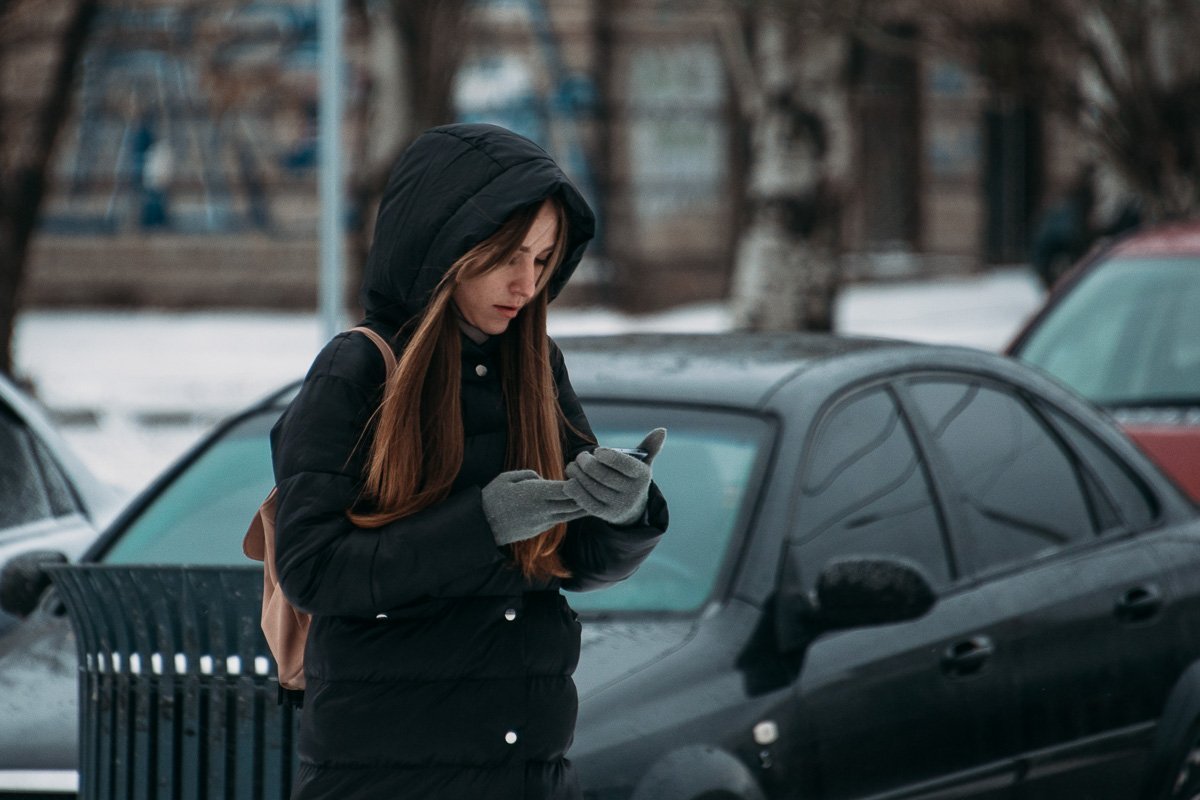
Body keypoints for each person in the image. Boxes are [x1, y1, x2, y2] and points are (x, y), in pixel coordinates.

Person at [270, 123, 670, 800]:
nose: (526, 283)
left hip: (528, 774)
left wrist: (624, 512)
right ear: (444, 243)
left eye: (543, 259)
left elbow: (576, 560)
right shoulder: (357, 370)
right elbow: (313, 568)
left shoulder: (535, 364)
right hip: (388, 780)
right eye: (507, 256)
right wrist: (483, 524)